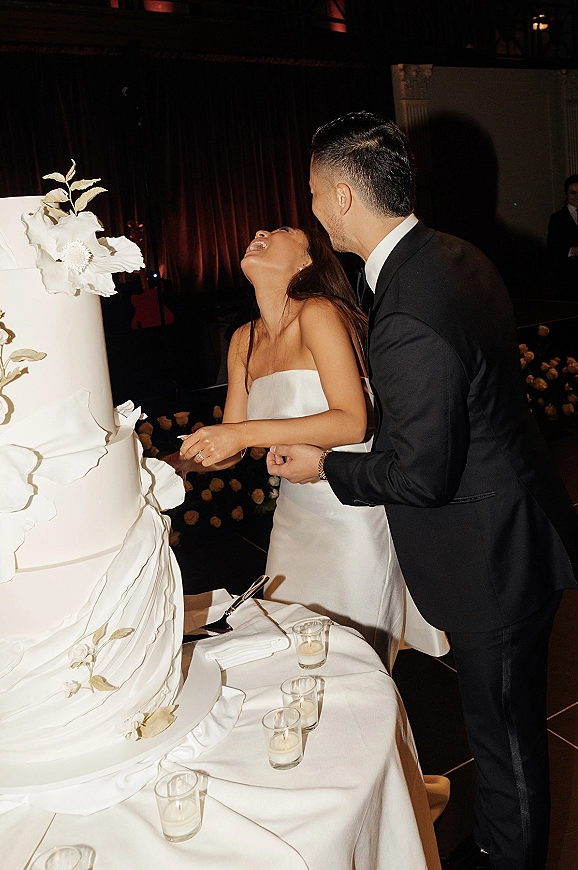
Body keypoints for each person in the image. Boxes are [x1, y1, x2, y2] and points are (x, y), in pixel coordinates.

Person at [267, 112, 578, 870]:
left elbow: (419, 474)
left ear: (343, 197)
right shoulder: (457, 255)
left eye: (312, 192)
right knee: (504, 731)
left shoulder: (406, 309)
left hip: (491, 560)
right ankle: (507, 840)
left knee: (503, 742)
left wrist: (324, 469)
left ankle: (512, 856)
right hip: (522, 523)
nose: (309, 207)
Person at [179, 225, 447, 670]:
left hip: (352, 516)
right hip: (294, 517)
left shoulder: (318, 312)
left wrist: (242, 435)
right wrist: (182, 461)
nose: (260, 231)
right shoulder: (243, 340)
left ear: (306, 262)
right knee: (290, 651)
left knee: (349, 662)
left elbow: (352, 422)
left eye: (281, 231)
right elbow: (233, 443)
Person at [546, 174, 578, 300]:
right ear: (566, 194)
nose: (577, 196)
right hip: (570, 278)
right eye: (573, 193)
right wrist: (572, 250)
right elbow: (552, 248)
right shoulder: (557, 219)